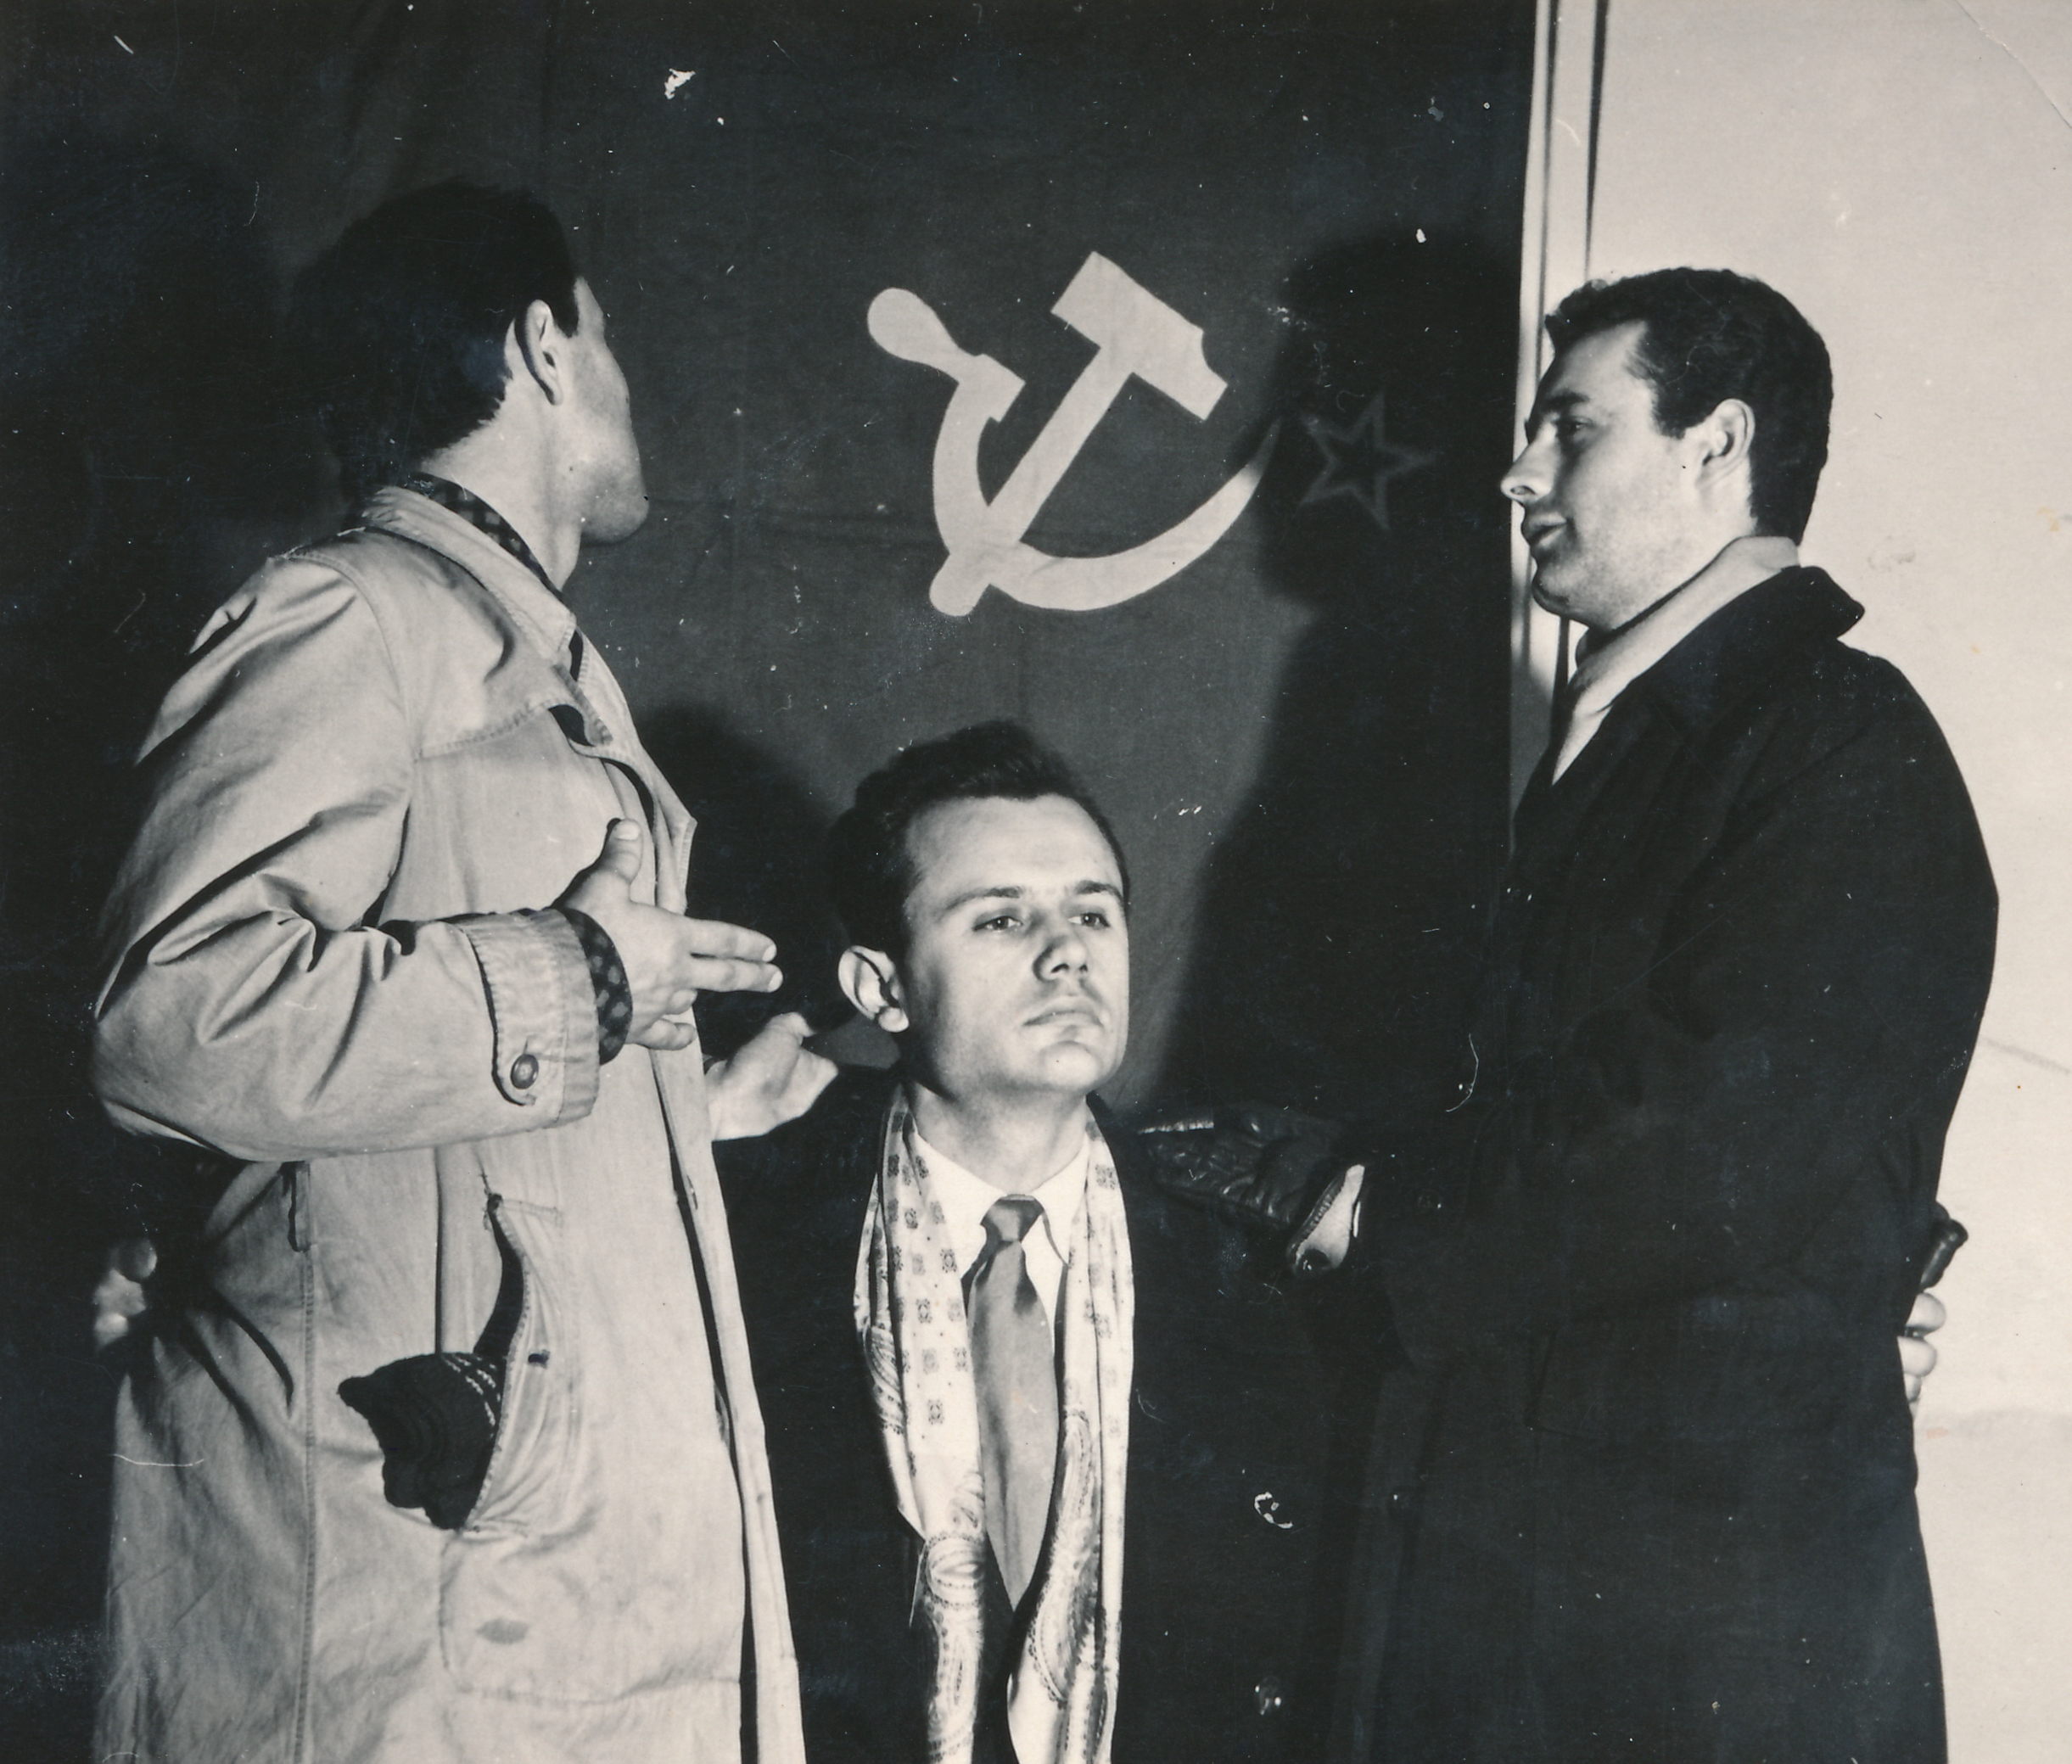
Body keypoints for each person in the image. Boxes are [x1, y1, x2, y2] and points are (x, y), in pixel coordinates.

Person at [87, 182, 832, 1764]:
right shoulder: (351, 614)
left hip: (532, 1621)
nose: (623, 382)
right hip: (407, 1627)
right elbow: (173, 1019)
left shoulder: (515, 647)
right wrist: (583, 977)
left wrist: (680, 1113)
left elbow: (419, 1123)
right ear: (542, 344)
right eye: (606, 339)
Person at [1257, 266, 1995, 1761]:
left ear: (1716, 444)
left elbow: (1714, 1143)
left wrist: (1371, 1212)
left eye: (1570, 427)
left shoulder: (1839, 738)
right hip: (1571, 1574)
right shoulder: (1657, 733)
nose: (1517, 470)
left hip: (1700, 1620)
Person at [714, 722, 1340, 1764]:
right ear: (881, 989)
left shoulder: (1254, 1267)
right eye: (1001, 919)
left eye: (1093, 912)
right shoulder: (745, 1236)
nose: (1068, 953)